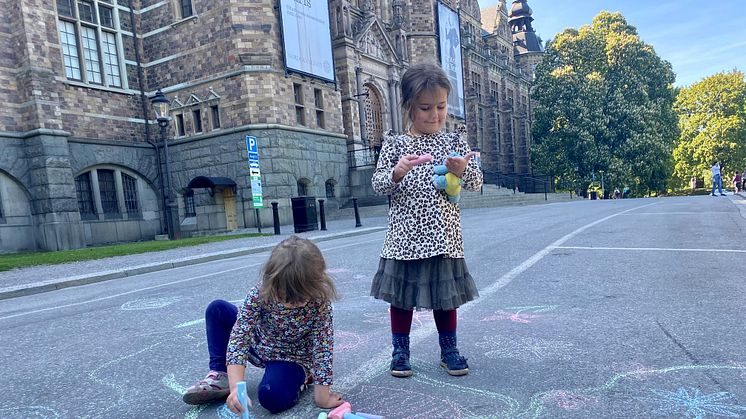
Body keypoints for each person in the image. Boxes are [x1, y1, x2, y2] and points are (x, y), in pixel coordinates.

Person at [370, 62, 483, 378]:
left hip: (443, 237)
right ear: (408, 106)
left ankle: (449, 350)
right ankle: (400, 352)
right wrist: (396, 172)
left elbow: (476, 181)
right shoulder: (395, 143)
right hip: (404, 237)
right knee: (402, 298)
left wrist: (462, 171)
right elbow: (378, 184)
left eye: (441, 106)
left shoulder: (453, 140)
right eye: (425, 108)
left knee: (445, 298)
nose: (434, 114)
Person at [182, 236, 344, 415]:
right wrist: (237, 388)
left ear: (316, 285)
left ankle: (302, 377)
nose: (292, 304)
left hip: (291, 358)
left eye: (300, 299)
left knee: (271, 397)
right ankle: (221, 375)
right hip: (259, 343)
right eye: (284, 297)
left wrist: (322, 396)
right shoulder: (260, 293)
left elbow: (323, 349)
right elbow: (239, 336)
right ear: (271, 281)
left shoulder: (320, 303)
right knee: (217, 309)